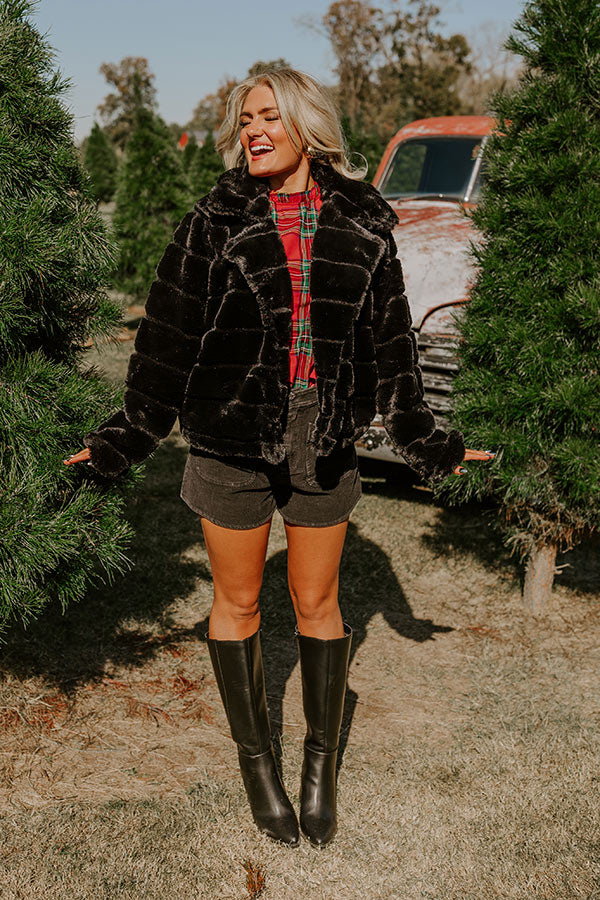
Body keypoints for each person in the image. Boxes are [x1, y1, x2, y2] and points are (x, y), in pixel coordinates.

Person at [65, 67, 494, 848]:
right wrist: (123, 437)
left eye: (268, 116)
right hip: (229, 439)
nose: (253, 131)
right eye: (245, 120)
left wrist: (428, 441)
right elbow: (165, 341)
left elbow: (391, 348)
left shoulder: (365, 222)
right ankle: (258, 766)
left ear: (305, 124)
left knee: (317, 604)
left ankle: (319, 767)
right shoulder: (213, 220)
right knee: (237, 605)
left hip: (323, 442)